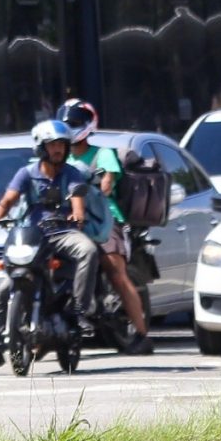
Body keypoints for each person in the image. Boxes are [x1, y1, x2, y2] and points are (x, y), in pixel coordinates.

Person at [0, 119, 102, 374]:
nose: (58, 150)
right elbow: (9, 198)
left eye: (62, 146)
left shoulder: (72, 173)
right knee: (4, 288)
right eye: (53, 145)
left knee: (88, 250)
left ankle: (79, 311)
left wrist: (77, 215)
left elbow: (77, 199)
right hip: (32, 235)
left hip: (62, 231)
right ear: (41, 148)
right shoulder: (27, 173)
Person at [61, 100, 151, 352]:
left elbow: (108, 182)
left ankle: (143, 336)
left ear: (88, 126)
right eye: (66, 125)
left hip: (103, 219)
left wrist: (99, 182)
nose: (70, 130)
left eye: (75, 124)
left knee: (116, 272)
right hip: (68, 219)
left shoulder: (103, 154)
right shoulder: (59, 156)